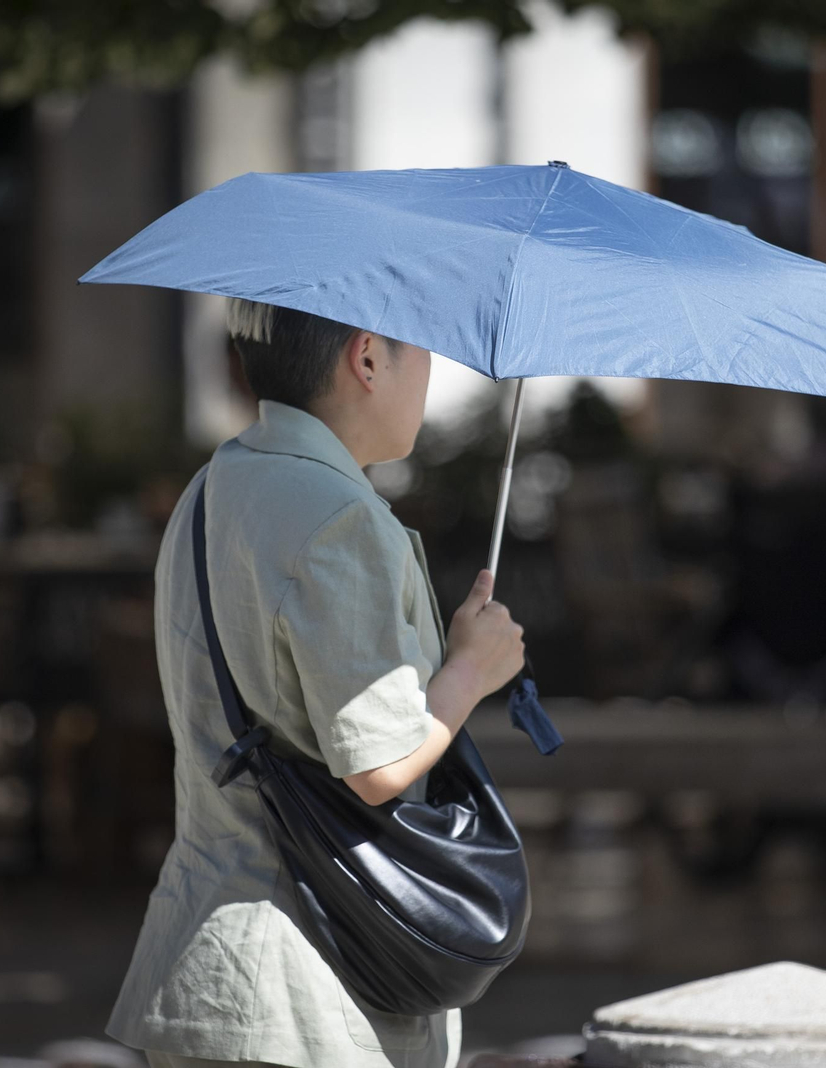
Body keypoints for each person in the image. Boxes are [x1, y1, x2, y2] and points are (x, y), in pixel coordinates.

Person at [106, 300, 525, 1068]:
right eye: (422, 349)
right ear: (368, 358)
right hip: (308, 989)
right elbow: (378, 764)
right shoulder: (339, 516)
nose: (429, 375)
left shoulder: (212, 487)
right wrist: (474, 668)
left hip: (202, 953)